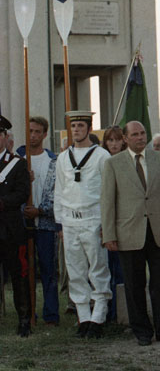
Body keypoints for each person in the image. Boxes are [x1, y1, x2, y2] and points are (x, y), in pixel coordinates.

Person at [101, 121, 160, 346]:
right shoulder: (113, 164)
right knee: (134, 284)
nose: (140, 137)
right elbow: (107, 202)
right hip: (128, 232)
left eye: (143, 133)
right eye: (135, 134)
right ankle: (142, 331)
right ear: (125, 138)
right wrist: (109, 234)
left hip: (159, 231)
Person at [54, 110, 111, 339]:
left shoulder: (102, 156)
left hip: (93, 218)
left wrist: (106, 223)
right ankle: (83, 317)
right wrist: (60, 223)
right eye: (73, 126)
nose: (76, 129)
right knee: (75, 270)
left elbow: (107, 192)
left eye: (80, 125)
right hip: (70, 220)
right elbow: (59, 191)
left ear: (89, 128)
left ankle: (99, 317)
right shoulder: (62, 158)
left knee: (98, 268)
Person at [17, 116, 60, 326]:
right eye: (30, 131)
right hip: (22, 224)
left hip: (45, 224)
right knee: (25, 270)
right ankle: (28, 312)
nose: (33, 135)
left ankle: (51, 314)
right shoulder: (18, 160)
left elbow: (58, 193)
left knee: (48, 269)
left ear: (45, 134)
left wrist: (41, 211)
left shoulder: (53, 161)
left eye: (37, 132)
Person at [0, 114, 31, 336]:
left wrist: (2, 202)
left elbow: (22, 192)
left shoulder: (17, 164)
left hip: (10, 229)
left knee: (19, 274)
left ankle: (24, 320)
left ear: (5, 137)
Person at [101, 126, 126, 322]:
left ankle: (122, 311)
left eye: (117, 140)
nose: (114, 144)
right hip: (106, 221)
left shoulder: (127, 161)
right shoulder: (102, 161)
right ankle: (109, 311)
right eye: (110, 140)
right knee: (106, 269)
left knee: (123, 270)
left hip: (125, 222)